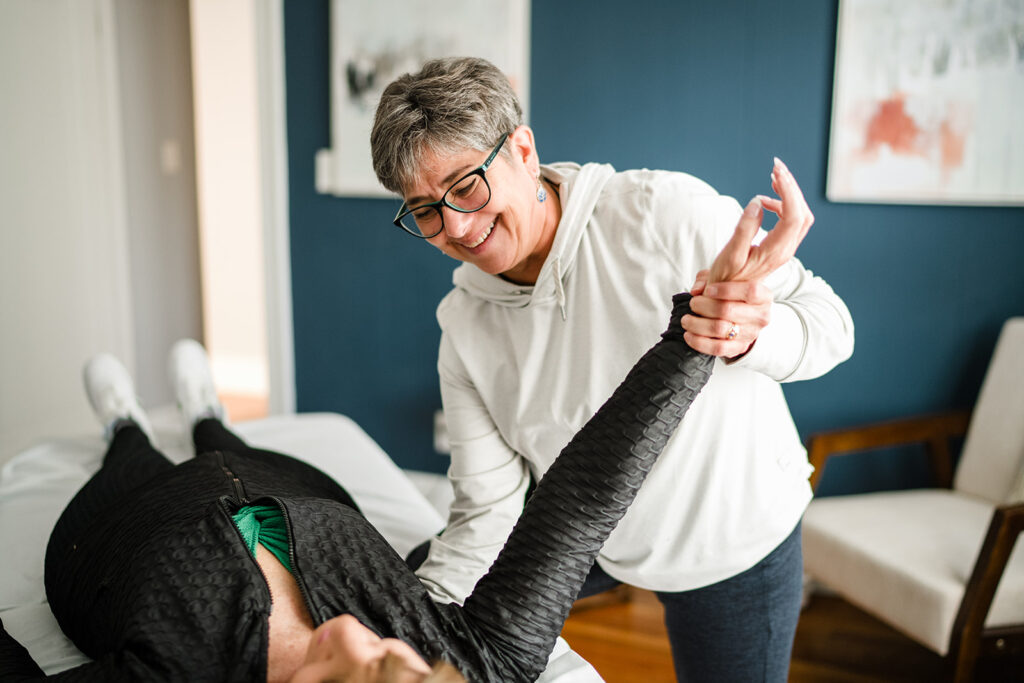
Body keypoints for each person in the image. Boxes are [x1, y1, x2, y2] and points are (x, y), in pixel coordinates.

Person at [370, 56, 854, 682]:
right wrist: (417, 626)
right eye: (426, 210)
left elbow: (832, 323)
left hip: (736, 542)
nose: (457, 226)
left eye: (466, 186)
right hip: (606, 544)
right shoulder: (465, 328)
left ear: (522, 150)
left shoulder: (664, 215)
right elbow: (488, 511)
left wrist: (749, 332)